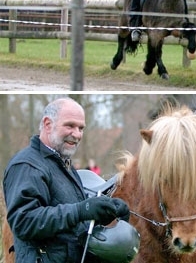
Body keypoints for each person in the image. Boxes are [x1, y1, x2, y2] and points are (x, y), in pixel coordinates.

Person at [3, 98, 130, 262]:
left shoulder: (63, 165)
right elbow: (24, 222)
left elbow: (70, 223)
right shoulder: (27, 165)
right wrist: (80, 211)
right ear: (48, 124)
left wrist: (104, 214)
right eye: (70, 125)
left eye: (81, 128)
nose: (77, 134)